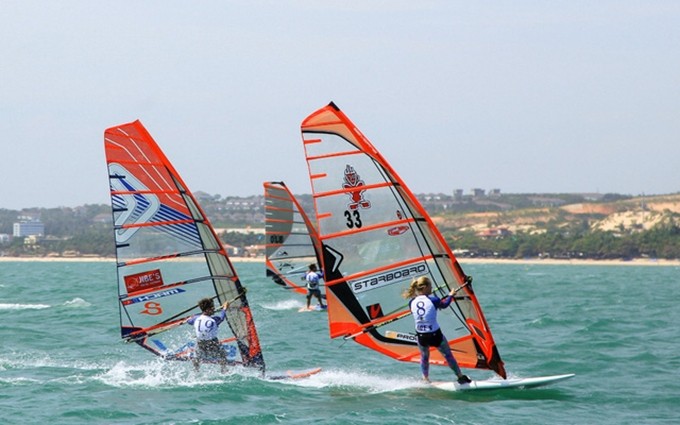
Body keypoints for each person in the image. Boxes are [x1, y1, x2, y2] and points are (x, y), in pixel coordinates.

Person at [402, 276, 472, 385]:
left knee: (424, 357)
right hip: (435, 335)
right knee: (448, 355)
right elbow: (444, 305)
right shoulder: (433, 300)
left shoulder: (411, 302)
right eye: (430, 286)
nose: (432, 288)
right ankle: (460, 376)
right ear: (425, 287)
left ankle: (425, 379)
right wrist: (451, 295)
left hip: (421, 336)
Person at [185, 297, 231, 372]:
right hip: (212, 343)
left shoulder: (195, 318)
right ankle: (224, 370)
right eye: (212, 308)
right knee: (223, 354)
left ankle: (196, 370)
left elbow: (189, 321)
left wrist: (190, 318)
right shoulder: (214, 320)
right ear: (207, 310)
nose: (214, 309)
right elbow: (222, 317)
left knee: (197, 357)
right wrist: (224, 308)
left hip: (200, 343)